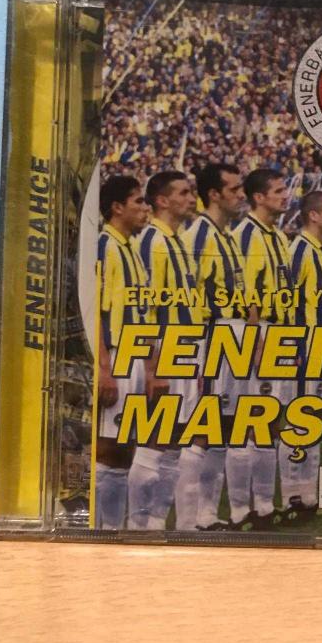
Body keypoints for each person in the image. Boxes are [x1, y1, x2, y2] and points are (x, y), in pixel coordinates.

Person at [178, 162, 247, 531]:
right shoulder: (199, 236)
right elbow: (189, 296)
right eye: (234, 189)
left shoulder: (228, 236)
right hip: (210, 338)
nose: (241, 195)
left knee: (225, 426)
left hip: (232, 336)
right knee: (203, 425)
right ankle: (189, 520)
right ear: (214, 194)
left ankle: (207, 514)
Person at [131, 170, 202, 529]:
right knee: (155, 438)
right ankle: (136, 523)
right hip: (164, 348)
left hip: (187, 348)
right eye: (184, 193)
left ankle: (158, 523)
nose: (191, 198)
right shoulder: (151, 241)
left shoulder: (178, 240)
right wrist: (152, 366)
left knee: (176, 441)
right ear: (162, 200)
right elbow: (145, 308)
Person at [230, 168, 293, 530]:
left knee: (272, 418)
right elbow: (248, 294)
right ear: (259, 197)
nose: (286, 196)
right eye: (279, 191)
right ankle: (241, 509)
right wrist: (256, 342)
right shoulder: (246, 235)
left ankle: (265, 505)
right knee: (252, 417)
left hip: (279, 331)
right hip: (259, 332)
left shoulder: (278, 236)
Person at [95, 175, 154, 529]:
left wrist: (149, 367)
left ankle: (113, 528)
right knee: (107, 446)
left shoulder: (130, 247)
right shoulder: (105, 245)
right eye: (138, 201)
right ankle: (100, 527)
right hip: (115, 355)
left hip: (134, 356)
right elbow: (96, 312)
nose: (145, 208)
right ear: (117, 207)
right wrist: (104, 369)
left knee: (124, 448)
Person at [282, 190, 322, 522]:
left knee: (316, 418)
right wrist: (292, 347)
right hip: (304, 349)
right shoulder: (299, 251)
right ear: (313, 215)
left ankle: (309, 491)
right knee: (299, 420)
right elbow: (286, 302)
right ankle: (291, 494)